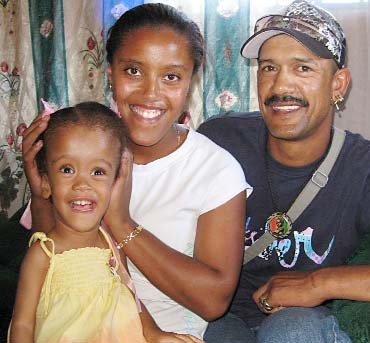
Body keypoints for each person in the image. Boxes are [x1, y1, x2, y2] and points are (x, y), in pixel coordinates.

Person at [20, 3, 250, 340]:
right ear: (110, 73)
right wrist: (41, 189)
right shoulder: (77, 146)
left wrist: (121, 222)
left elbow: (213, 300)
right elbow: (53, 261)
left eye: (171, 77)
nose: (150, 93)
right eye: (133, 71)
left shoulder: (216, 170)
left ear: (190, 83)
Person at [198, 1, 370, 342]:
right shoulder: (220, 140)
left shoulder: (369, 169)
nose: (280, 85)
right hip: (220, 315)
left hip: (302, 322)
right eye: (269, 67)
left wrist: (319, 283)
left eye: (303, 68)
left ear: (338, 85)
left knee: (293, 330)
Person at [9, 102, 206, 343]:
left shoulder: (110, 243)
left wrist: (156, 335)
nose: (83, 184)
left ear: (116, 182)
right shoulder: (43, 253)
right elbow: (22, 324)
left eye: (99, 172)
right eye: (67, 169)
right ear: (46, 182)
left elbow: (130, 298)